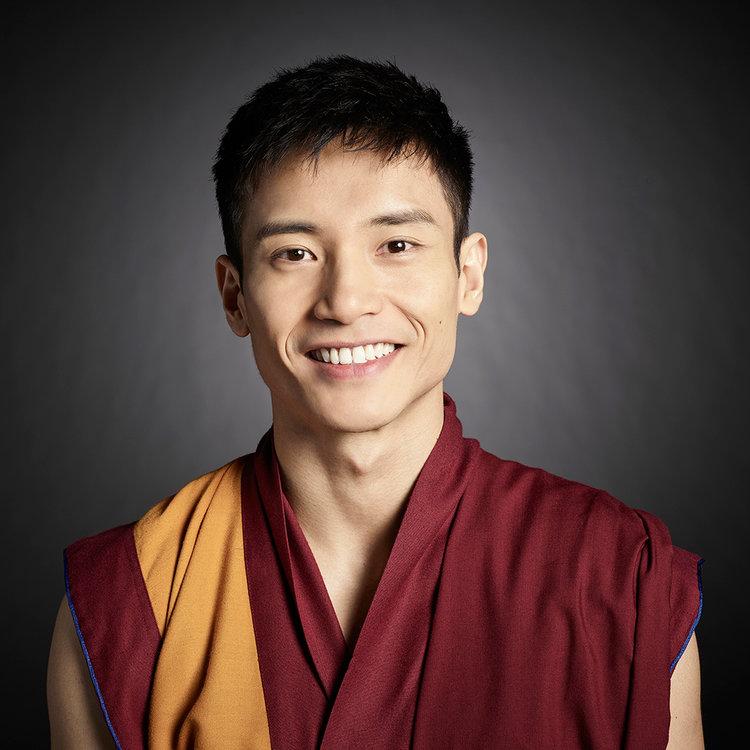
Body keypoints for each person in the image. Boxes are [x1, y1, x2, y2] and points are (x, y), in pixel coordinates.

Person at [47, 56, 704, 750]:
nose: (346, 301)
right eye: (295, 253)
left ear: (468, 274)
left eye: (396, 244)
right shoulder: (130, 598)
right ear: (234, 296)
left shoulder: (620, 578)